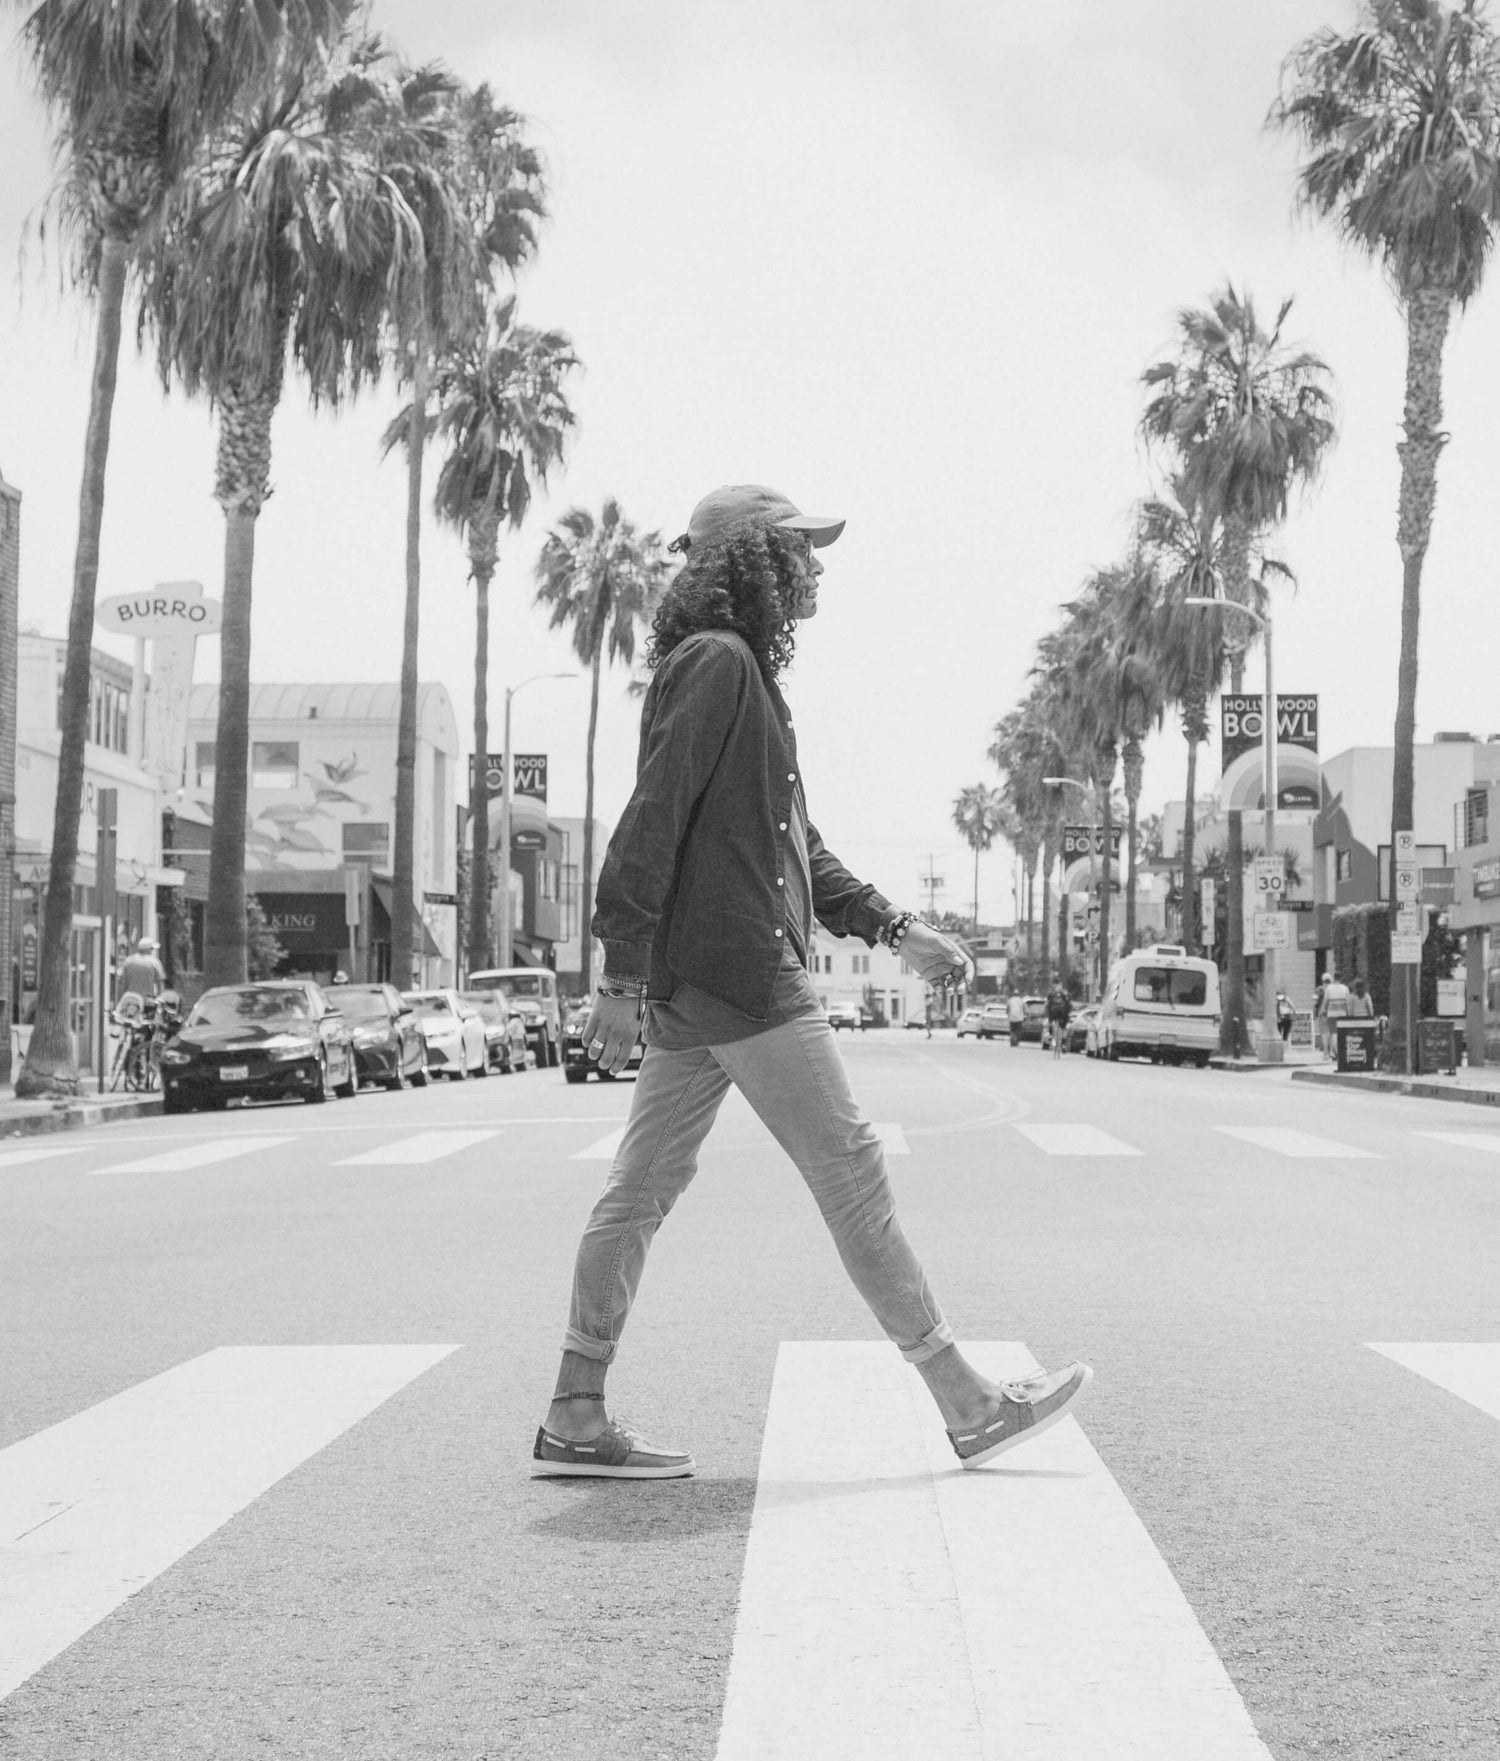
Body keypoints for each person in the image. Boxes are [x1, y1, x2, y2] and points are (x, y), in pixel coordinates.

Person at [534, 484, 1091, 1480]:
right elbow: (649, 820)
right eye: (802, 550)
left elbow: (800, 850)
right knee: (850, 1173)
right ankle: (965, 1402)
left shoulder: (733, 674)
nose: (818, 566)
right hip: (745, 975)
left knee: (641, 1190)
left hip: (700, 980)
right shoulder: (720, 664)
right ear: (753, 560)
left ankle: (576, 1408)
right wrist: (617, 970)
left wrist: (900, 927)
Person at [117, 937, 165, 1004]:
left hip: (129, 1000)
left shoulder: (128, 961)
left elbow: (122, 982)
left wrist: (120, 999)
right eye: (152, 949)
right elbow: (160, 983)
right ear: (148, 949)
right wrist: (159, 999)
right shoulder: (155, 962)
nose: (152, 951)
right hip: (147, 1001)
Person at [1318, 968, 1351, 1060]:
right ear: (1341, 978)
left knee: (1333, 1033)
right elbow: (1348, 1002)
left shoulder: (1329, 989)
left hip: (1331, 1013)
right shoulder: (1345, 988)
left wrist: (1322, 1011)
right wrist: (1349, 1014)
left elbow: (1325, 1001)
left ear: (1334, 978)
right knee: (1341, 1033)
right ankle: (1340, 1051)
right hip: (1342, 1014)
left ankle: (1333, 1052)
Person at [1045, 980, 1071, 1059]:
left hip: (1053, 1013)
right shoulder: (1064, 992)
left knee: (1050, 1019)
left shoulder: (1052, 992)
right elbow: (1069, 1004)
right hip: (1062, 1014)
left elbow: (1048, 1002)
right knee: (1064, 1026)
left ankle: (1050, 1035)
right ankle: (1063, 1043)